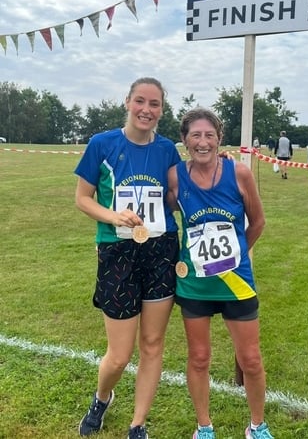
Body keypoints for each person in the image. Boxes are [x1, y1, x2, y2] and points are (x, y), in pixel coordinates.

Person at [74, 77, 180, 438]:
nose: (146, 110)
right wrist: (113, 215)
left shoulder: (167, 149)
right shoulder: (102, 144)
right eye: (140, 101)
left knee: (152, 344)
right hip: (117, 250)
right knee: (119, 356)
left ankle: (138, 423)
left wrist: (216, 168)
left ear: (162, 110)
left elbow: (174, 196)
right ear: (127, 102)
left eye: (154, 104)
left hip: (160, 250)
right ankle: (102, 397)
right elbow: (83, 198)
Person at [167, 108, 274, 439]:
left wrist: (236, 255)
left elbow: (257, 222)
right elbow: (163, 210)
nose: (203, 142)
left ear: (219, 139)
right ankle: (204, 427)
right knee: (199, 358)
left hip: (236, 283)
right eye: (195, 135)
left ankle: (257, 426)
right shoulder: (174, 176)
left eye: (209, 135)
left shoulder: (239, 173)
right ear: (184, 140)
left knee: (252, 360)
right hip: (195, 285)